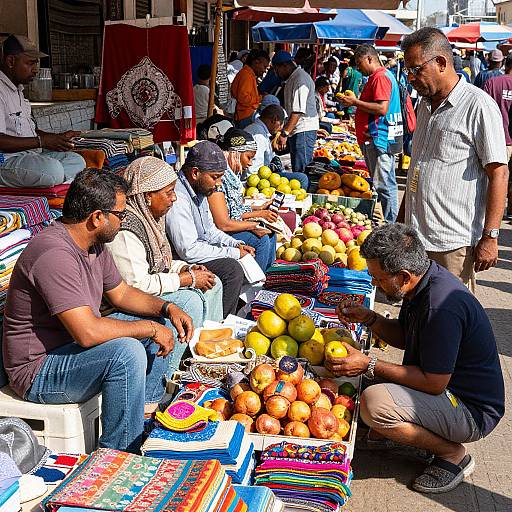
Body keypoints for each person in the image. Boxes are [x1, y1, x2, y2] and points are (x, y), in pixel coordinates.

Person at [2, 169, 196, 453]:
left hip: (68, 349)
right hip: (37, 371)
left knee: (152, 319)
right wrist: (153, 329)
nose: (125, 221)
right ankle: (118, 456)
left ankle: (146, 415)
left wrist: (167, 308)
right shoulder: (54, 254)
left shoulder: (92, 244)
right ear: (97, 217)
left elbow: (122, 294)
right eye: (121, 215)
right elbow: (88, 333)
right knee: (127, 352)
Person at [327, 223, 504, 494]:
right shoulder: (423, 283)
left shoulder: (440, 306)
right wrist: (370, 318)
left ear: (404, 276)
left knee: (375, 404)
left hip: (470, 411)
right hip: (446, 390)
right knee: (370, 383)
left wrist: (369, 363)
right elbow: (405, 336)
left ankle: (453, 454)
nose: (374, 284)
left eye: (379, 278)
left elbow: (433, 383)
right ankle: (411, 434)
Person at [398, 28, 509, 292]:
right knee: (418, 315)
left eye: (416, 70)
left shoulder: (478, 105)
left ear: (440, 62)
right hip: (418, 238)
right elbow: (417, 169)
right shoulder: (424, 104)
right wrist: (402, 226)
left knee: (449, 317)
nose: (411, 78)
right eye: (408, 72)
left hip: (452, 243)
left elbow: (499, 173)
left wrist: (490, 237)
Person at [106, 157, 224, 374]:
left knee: (212, 283)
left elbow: (161, 262)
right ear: (148, 195)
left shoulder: (151, 218)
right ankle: (168, 373)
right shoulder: (125, 231)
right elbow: (136, 285)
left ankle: (206, 354)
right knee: (190, 300)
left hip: (148, 289)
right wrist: (183, 279)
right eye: (168, 192)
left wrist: (185, 269)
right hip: (122, 307)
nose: (174, 198)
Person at [166, 141, 247, 317]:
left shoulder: (200, 190)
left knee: (243, 249)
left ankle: (236, 307)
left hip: (196, 250)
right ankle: (220, 324)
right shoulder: (179, 197)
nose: (218, 184)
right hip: (181, 258)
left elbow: (209, 230)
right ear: (195, 173)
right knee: (232, 269)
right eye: (215, 177)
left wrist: (235, 245)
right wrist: (232, 253)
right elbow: (189, 250)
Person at [0, 35, 85, 188]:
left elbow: (30, 132)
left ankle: (51, 182)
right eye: (30, 63)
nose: (35, 70)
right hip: (6, 161)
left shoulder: (18, 90)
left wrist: (57, 139)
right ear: (11, 61)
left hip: (30, 156)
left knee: (77, 161)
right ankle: (54, 181)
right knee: (53, 170)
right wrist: (43, 141)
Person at [339, 44, 403, 223]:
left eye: (359, 64)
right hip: (378, 137)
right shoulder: (380, 76)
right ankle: (390, 222)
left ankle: (391, 225)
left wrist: (354, 102)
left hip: (378, 138)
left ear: (369, 58)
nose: (358, 69)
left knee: (384, 185)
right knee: (383, 183)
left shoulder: (380, 77)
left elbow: (382, 109)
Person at [208, 129, 277, 271]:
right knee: (261, 240)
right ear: (235, 154)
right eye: (249, 157)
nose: (251, 163)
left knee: (271, 234)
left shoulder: (232, 176)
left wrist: (258, 210)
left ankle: (266, 276)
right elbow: (224, 223)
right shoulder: (219, 178)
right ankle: (255, 284)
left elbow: (234, 208)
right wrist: (255, 221)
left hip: (229, 226)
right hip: (220, 232)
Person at [273, 51, 319, 175]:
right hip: (297, 130)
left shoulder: (300, 79)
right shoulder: (293, 78)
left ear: (284, 66)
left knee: (301, 170)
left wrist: (285, 133)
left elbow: (297, 111)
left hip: (303, 129)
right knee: (297, 167)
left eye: (277, 70)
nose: (277, 74)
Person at [245, 104, 309, 190]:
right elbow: (253, 170)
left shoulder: (259, 130)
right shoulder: (259, 136)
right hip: (257, 180)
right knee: (302, 179)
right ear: (275, 120)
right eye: (281, 124)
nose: (280, 129)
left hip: (263, 175)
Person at [483, 53, 512, 220]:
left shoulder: (492, 83)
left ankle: (494, 214)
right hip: (505, 139)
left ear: (505, 64)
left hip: (495, 139)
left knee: (496, 178)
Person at [231, 50, 270, 129]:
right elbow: (243, 98)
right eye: (264, 67)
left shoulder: (248, 74)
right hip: (244, 116)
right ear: (256, 62)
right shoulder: (246, 75)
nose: (264, 70)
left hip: (245, 115)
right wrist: (260, 98)